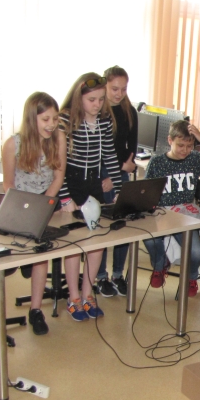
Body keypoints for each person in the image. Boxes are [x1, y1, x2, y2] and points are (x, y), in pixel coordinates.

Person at [58, 72, 122, 321]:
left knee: (97, 241)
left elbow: (110, 156)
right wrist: (65, 197)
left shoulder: (104, 121)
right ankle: (73, 296)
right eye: (91, 100)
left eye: (101, 100)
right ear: (79, 98)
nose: (97, 105)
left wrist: (117, 189)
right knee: (75, 244)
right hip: (72, 183)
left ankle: (88, 293)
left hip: (94, 184)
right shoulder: (66, 120)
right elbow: (59, 163)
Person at [1, 92, 65, 335]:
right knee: (29, 251)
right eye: (45, 119)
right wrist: (25, 209)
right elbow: (8, 183)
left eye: (55, 119)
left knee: (41, 255)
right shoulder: (13, 144)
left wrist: (45, 203)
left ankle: (35, 310)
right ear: (31, 119)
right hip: (21, 204)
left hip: (46, 201)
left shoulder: (58, 138)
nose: (52, 124)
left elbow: (58, 176)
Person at [144, 120, 200, 296]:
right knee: (150, 240)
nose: (185, 150)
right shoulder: (157, 162)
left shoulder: (194, 159)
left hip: (184, 215)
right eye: (180, 145)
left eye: (189, 146)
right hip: (162, 212)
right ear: (170, 140)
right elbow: (146, 192)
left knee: (196, 252)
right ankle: (160, 265)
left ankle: (191, 278)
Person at [95, 66, 138, 298]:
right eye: (114, 89)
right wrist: (112, 174)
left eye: (123, 89)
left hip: (121, 173)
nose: (119, 93)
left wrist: (125, 168)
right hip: (102, 176)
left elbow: (132, 147)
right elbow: (95, 152)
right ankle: (100, 276)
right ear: (105, 86)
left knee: (122, 226)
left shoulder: (129, 111)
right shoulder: (97, 111)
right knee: (103, 226)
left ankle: (118, 274)